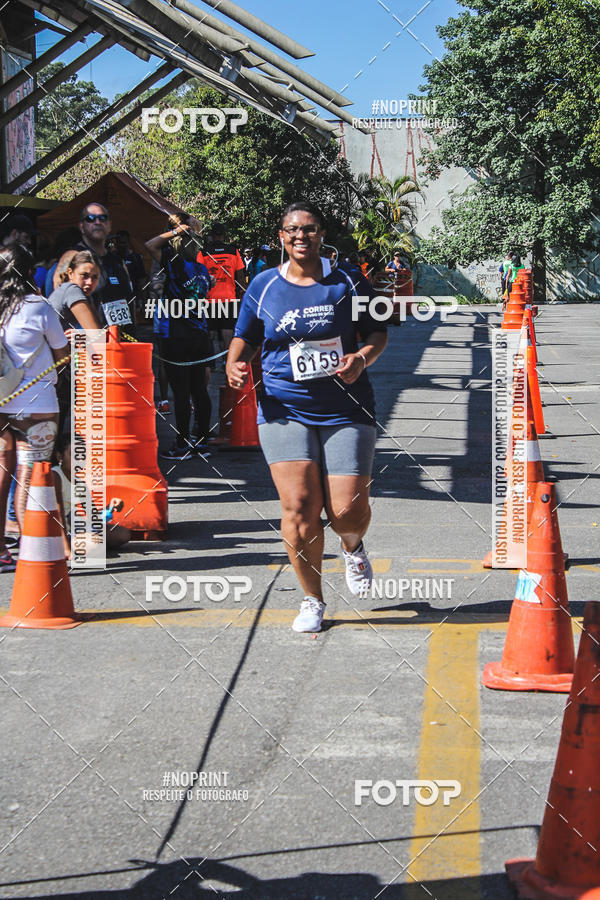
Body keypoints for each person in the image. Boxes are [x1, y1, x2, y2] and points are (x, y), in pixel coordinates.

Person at [227, 201, 388, 633]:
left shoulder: (348, 281)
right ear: (281, 237)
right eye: (292, 230)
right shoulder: (262, 286)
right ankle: (311, 599)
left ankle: (352, 547)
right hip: (284, 409)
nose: (301, 236)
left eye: (310, 229)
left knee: (346, 512)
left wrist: (361, 357)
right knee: (298, 507)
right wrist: (234, 365)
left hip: (346, 408)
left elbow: (377, 332)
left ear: (321, 234)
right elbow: (243, 338)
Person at [0, 246, 69, 572]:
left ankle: (1, 549)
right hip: (37, 406)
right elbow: (61, 353)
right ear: (31, 273)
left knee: (2, 475)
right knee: (31, 476)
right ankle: (35, 552)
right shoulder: (38, 307)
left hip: (1, 404)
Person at [146, 215, 214, 459]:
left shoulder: (174, 263)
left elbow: (150, 244)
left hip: (177, 336)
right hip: (200, 335)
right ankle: (203, 442)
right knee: (200, 390)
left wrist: (176, 231)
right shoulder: (203, 270)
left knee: (182, 391)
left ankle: (182, 443)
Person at [52, 433, 131, 556]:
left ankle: (86, 542)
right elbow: (57, 516)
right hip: (52, 532)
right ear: (59, 456)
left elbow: (93, 516)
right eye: (73, 455)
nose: (79, 460)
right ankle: (69, 546)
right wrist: (66, 549)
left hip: (71, 529)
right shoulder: (55, 476)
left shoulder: (79, 482)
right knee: (95, 545)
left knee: (122, 534)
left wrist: (110, 507)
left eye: (82, 455)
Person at [74, 203, 133, 331]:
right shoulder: (72, 257)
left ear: (109, 225)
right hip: (89, 341)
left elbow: (129, 298)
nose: (97, 222)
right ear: (82, 227)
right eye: (90, 218)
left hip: (121, 337)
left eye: (102, 218)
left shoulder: (117, 261)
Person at [197, 223, 245, 349]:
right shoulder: (233, 251)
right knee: (228, 329)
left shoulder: (203, 253)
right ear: (224, 235)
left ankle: (210, 363)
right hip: (229, 298)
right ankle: (227, 361)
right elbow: (240, 276)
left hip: (209, 298)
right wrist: (243, 295)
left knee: (210, 330)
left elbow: (198, 275)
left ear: (212, 235)